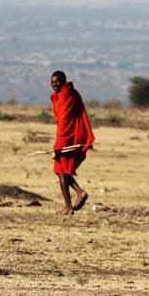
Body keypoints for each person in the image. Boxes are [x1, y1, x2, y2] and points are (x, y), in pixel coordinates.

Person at [49, 70, 95, 215]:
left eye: (57, 81)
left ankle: (69, 206)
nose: (54, 84)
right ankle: (79, 193)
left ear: (63, 81)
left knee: (61, 171)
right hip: (68, 137)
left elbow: (65, 122)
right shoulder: (62, 95)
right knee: (62, 171)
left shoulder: (67, 96)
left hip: (68, 138)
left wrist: (58, 146)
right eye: (52, 82)